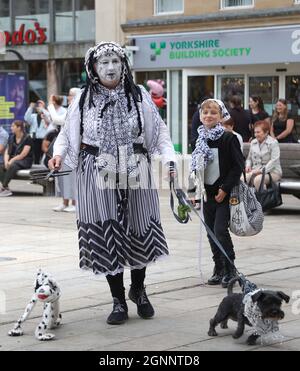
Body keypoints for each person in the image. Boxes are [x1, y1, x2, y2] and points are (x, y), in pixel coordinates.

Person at [49, 41, 176, 325]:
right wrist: (58, 156)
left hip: (134, 165)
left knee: (138, 227)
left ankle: (139, 290)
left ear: (124, 65)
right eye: (102, 63)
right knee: (109, 233)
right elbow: (68, 136)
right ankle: (118, 299)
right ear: (92, 68)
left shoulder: (139, 95)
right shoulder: (83, 99)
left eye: (114, 62)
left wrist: (168, 160)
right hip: (96, 168)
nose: (109, 67)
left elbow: (159, 133)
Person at [189, 99, 244, 288]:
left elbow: (238, 167)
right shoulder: (200, 140)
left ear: (221, 116)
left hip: (224, 194)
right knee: (211, 232)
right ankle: (218, 267)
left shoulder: (228, 138)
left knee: (220, 230)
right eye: (205, 112)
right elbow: (196, 168)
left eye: (213, 113)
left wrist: (225, 188)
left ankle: (230, 268)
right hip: (206, 194)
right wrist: (194, 190)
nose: (208, 116)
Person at [48, 91, 78, 213]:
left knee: (73, 177)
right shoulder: (69, 110)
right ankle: (64, 202)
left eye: (71, 95)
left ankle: (75, 203)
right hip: (64, 150)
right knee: (63, 177)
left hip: (74, 150)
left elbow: (56, 119)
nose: (68, 97)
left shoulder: (74, 111)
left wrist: (50, 104)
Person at [246, 120, 282, 191]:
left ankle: (263, 201)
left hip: (273, 172)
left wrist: (261, 171)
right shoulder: (253, 142)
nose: (256, 134)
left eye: (258, 132)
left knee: (258, 180)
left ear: (266, 132)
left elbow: (274, 161)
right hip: (255, 170)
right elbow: (249, 158)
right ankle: (247, 200)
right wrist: (248, 166)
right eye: (255, 132)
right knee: (241, 178)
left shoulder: (273, 143)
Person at [0, 120, 33, 197]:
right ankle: (6, 188)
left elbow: (23, 154)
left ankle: (4, 187)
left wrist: (11, 161)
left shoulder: (27, 138)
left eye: (13, 126)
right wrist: (6, 162)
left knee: (13, 165)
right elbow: (7, 152)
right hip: (13, 160)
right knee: (1, 166)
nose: (11, 128)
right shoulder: (11, 137)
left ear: (19, 128)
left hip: (25, 160)